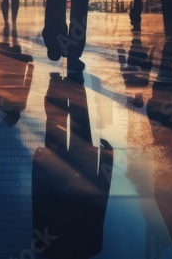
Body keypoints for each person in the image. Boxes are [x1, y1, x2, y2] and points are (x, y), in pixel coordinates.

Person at [32, 71, 114, 258]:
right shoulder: (44, 249)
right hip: (57, 172)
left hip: (73, 171)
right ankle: (61, 84)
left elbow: (100, 203)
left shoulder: (91, 246)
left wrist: (108, 159)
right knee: (60, 122)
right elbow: (38, 203)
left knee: (75, 120)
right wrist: (37, 166)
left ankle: (72, 82)